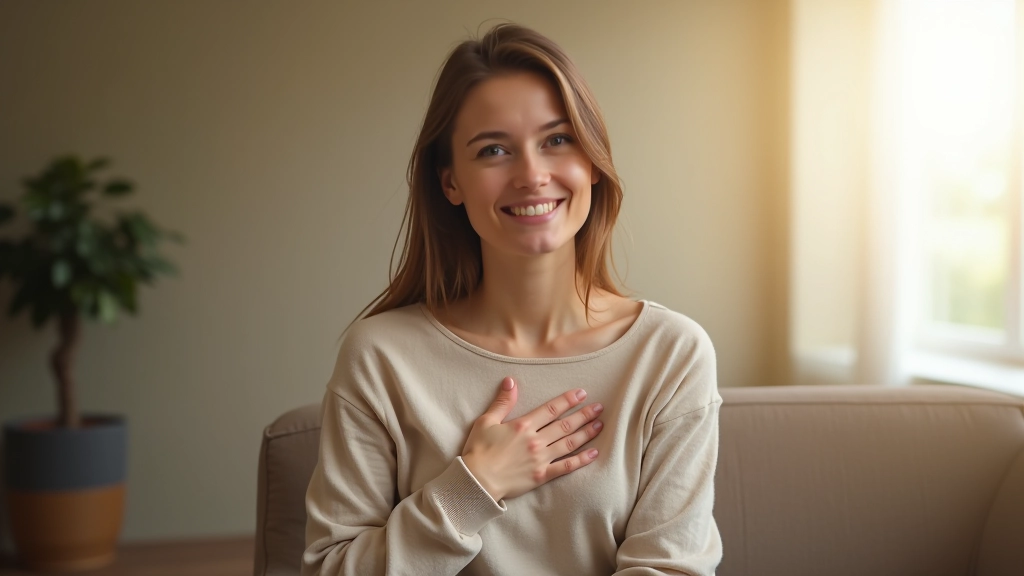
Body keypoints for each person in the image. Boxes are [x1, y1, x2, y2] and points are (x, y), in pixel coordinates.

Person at [302, 22, 723, 576]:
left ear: (592, 162)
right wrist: (471, 488)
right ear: (451, 183)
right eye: (494, 149)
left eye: (557, 140)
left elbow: (672, 568)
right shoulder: (379, 356)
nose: (532, 174)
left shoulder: (670, 354)